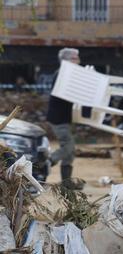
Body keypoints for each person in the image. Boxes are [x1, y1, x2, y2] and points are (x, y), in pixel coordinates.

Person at [46, 47, 81, 188]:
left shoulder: (67, 74)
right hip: (58, 119)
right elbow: (65, 95)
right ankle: (47, 162)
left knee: (69, 152)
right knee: (68, 147)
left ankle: (66, 183)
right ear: (66, 60)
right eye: (75, 58)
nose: (78, 61)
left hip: (64, 118)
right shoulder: (62, 74)